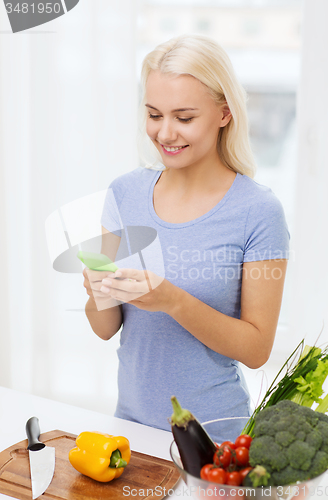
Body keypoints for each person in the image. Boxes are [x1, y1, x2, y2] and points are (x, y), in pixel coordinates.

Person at [82, 34, 290, 440]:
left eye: (184, 117)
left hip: (215, 440)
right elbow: (105, 327)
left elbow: (256, 349)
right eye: (154, 115)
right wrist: (96, 292)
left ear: (225, 114)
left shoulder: (258, 211)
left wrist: (173, 301)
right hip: (131, 430)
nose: (165, 133)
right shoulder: (124, 194)